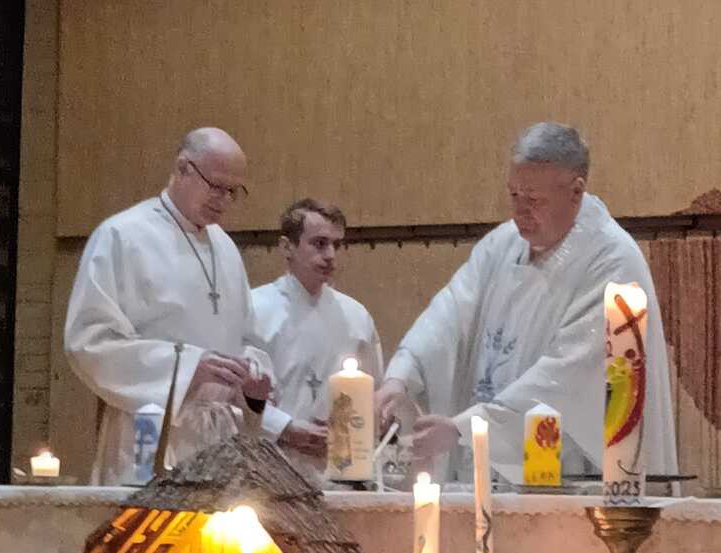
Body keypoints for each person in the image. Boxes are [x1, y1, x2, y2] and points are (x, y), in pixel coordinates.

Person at [375, 122, 677, 483]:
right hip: (483, 469)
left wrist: (465, 428)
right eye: (514, 195)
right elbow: (449, 314)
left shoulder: (613, 262)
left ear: (576, 192)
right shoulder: (501, 245)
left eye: (533, 200)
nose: (519, 211)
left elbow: (568, 377)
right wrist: (401, 376)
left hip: (571, 477)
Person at [65, 127, 274, 484]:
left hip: (219, 442)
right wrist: (188, 367)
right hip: (149, 433)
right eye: (216, 186)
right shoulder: (122, 236)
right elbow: (89, 341)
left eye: (233, 191)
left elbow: (247, 339)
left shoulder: (225, 249)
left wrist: (251, 378)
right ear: (182, 168)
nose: (223, 200)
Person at [251, 198, 383, 474]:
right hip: (268, 469)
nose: (331, 255)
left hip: (340, 470)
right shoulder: (254, 309)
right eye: (319, 244)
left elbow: (374, 398)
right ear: (287, 247)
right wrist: (285, 427)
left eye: (337, 245)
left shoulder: (355, 317)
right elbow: (235, 398)